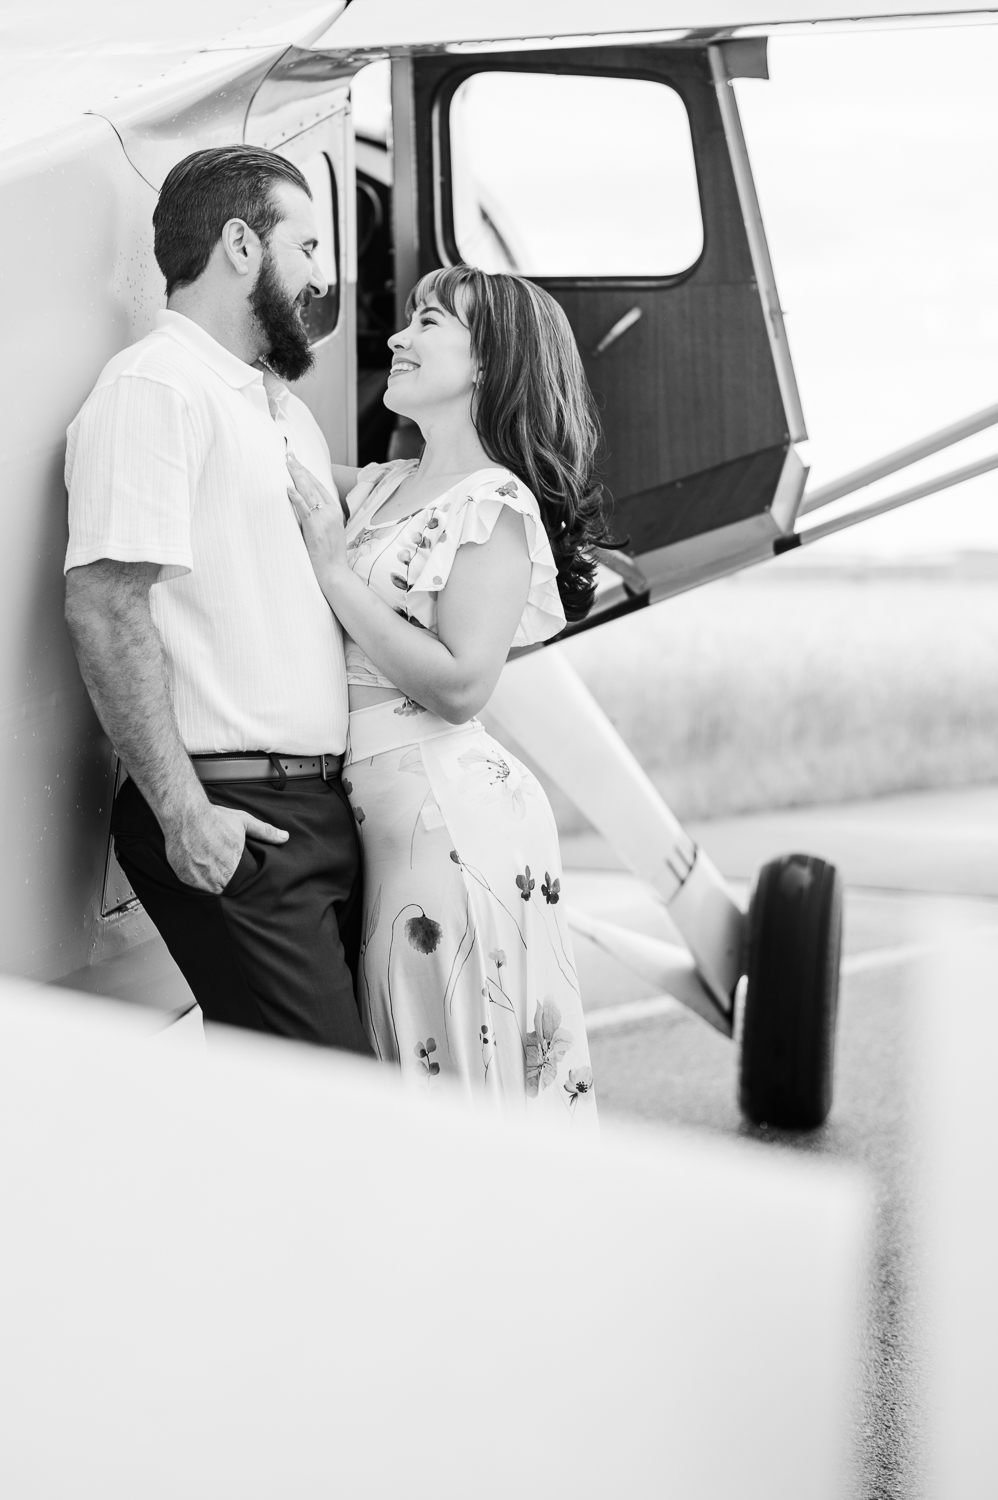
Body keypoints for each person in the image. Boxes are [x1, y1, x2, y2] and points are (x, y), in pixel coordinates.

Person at [64, 146, 371, 1054]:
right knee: (338, 1119)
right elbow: (105, 604)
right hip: (235, 815)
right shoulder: (156, 387)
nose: (321, 277)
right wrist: (185, 816)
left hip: (316, 813)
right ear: (242, 244)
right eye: (309, 247)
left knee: (305, 1128)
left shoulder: (279, 410)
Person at [286, 265, 605, 1127]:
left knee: (454, 1079)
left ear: (489, 363)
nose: (396, 336)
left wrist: (330, 572)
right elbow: (267, 456)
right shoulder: (386, 486)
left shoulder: (494, 504)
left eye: (428, 322)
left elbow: (464, 684)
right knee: (416, 1067)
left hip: (448, 821)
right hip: (382, 820)